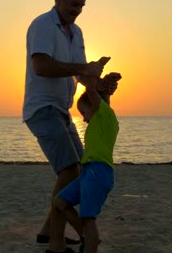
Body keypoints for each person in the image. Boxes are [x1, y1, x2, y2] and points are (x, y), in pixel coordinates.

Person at [23, 0, 118, 247]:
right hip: (42, 108)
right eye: (73, 4)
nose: (77, 10)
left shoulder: (77, 33)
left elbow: (83, 77)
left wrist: (100, 85)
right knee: (69, 170)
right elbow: (41, 66)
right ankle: (56, 244)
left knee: (81, 170)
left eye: (82, 6)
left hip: (62, 110)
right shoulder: (43, 24)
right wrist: (82, 68)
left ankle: (47, 230)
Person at [47, 73, 120, 253]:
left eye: (84, 113)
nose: (84, 119)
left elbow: (94, 95)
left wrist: (88, 78)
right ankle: (88, 237)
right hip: (88, 172)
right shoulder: (100, 119)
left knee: (89, 219)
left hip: (98, 172)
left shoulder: (105, 116)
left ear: (95, 106)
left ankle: (90, 241)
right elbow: (100, 99)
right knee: (60, 202)